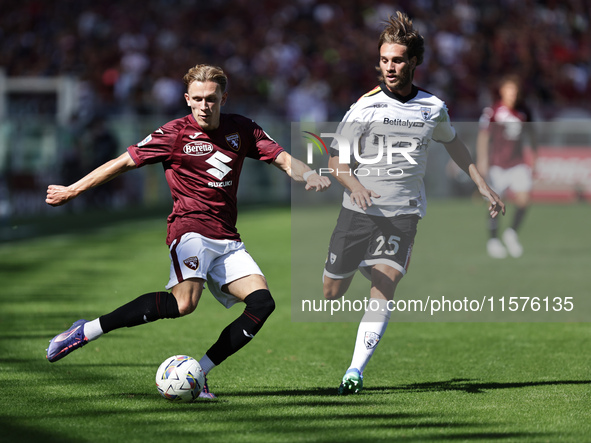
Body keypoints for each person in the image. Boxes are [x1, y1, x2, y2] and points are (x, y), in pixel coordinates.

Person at [45, 64, 331, 399]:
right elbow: (121, 162)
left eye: (211, 98)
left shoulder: (243, 129)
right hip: (190, 230)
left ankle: (201, 372)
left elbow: (283, 159)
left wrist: (309, 174)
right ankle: (87, 329)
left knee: (262, 303)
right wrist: (73, 190)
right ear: (187, 99)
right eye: (197, 99)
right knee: (184, 305)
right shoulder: (173, 133)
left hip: (227, 238)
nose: (204, 105)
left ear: (224, 97)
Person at [321, 12, 505, 395]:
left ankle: (354, 371)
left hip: (402, 214)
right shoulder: (364, 108)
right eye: (385, 59)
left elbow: (453, 142)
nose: (390, 67)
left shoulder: (432, 107)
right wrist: (353, 184)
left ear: (413, 62)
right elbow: (335, 161)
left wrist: (483, 185)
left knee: (385, 288)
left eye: (398, 60)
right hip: (358, 212)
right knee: (331, 292)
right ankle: (367, 265)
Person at [476, 75, 537, 258]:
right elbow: (484, 136)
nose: (513, 94)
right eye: (510, 90)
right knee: (494, 204)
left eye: (515, 90)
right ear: (502, 91)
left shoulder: (524, 111)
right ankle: (493, 240)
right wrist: (482, 159)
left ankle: (511, 233)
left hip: (517, 163)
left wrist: (535, 159)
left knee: (525, 199)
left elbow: (532, 136)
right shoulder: (493, 111)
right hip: (497, 164)